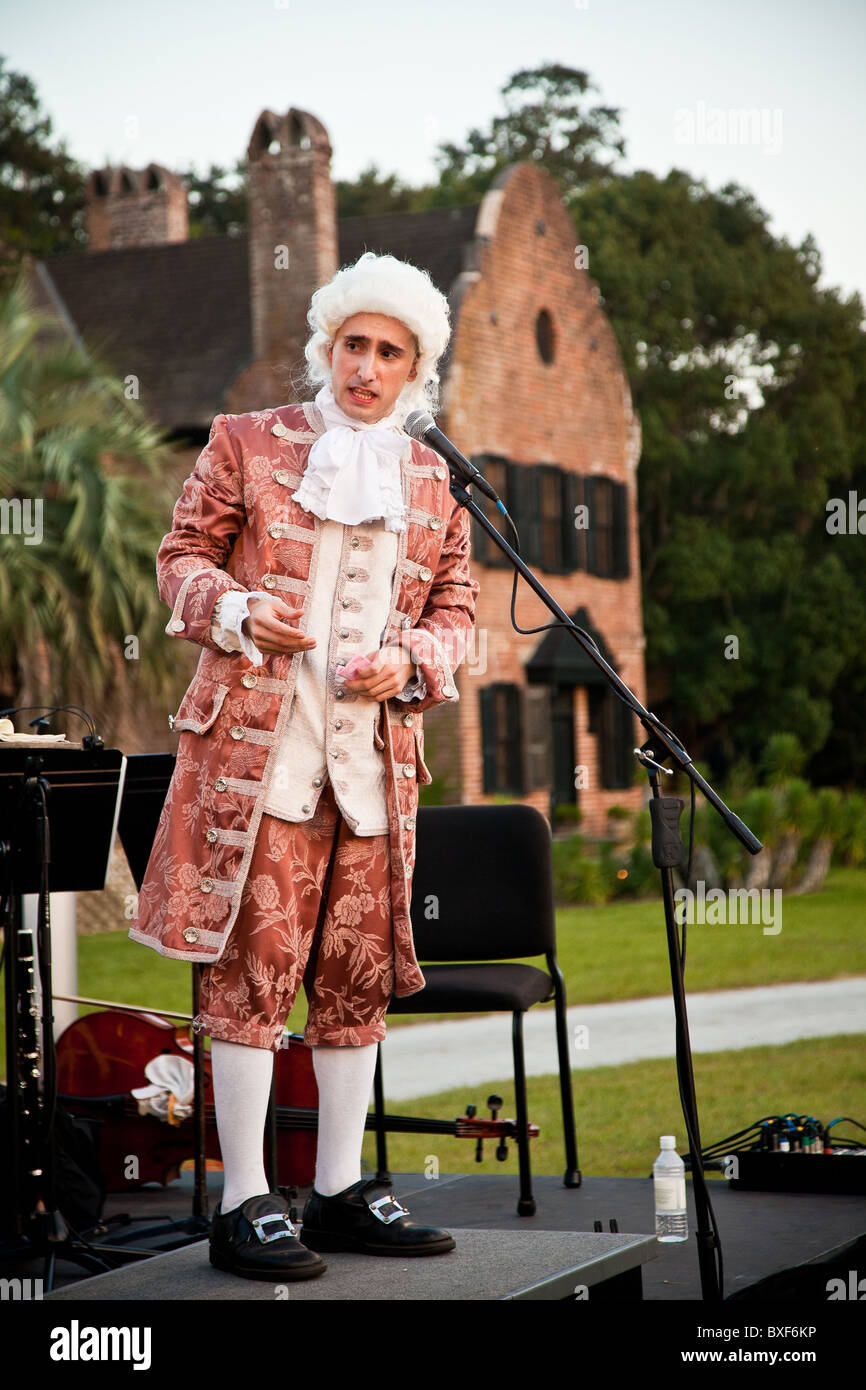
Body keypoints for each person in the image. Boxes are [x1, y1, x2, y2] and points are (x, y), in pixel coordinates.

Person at [129, 251, 479, 1281]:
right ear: (329, 346)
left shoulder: (434, 478)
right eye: (353, 343)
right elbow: (180, 558)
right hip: (257, 758)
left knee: (353, 976)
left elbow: (456, 613)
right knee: (248, 976)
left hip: (370, 769)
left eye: (389, 351)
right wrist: (234, 611)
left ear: (416, 370)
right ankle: (245, 1198)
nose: (365, 365)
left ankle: (334, 1190)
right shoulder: (246, 442)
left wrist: (412, 661)